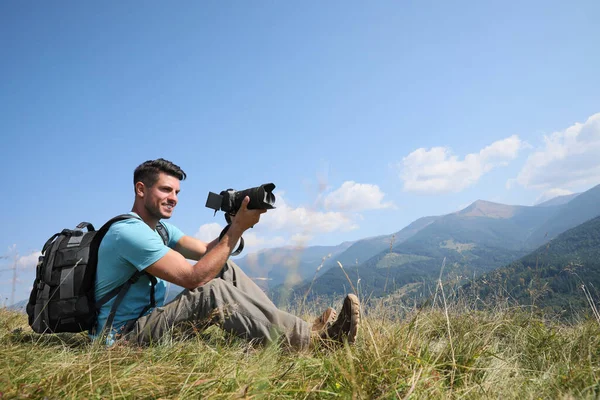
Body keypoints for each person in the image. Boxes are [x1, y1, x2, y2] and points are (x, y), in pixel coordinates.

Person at [93, 158, 361, 350]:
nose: (173, 198)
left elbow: (209, 253)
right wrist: (236, 230)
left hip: (148, 324)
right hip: (122, 342)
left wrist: (235, 224)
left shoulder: (161, 229)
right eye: (165, 190)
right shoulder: (128, 232)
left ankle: (291, 333)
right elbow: (193, 277)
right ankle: (316, 342)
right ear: (141, 189)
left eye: (176, 192)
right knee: (211, 292)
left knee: (224, 269)